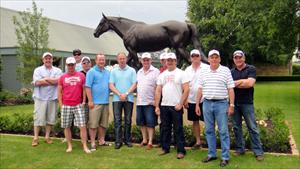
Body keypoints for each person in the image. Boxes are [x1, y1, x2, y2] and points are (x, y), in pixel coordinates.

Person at [195, 49, 235, 167]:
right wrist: (197, 104)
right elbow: (200, 89)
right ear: (208, 59)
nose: (214, 59)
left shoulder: (225, 70)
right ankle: (212, 154)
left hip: (221, 103)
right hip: (206, 103)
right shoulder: (204, 72)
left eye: (216, 57)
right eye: (211, 57)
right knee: (209, 130)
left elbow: (230, 89)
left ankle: (225, 157)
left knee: (223, 131)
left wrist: (231, 105)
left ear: (219, 59)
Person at [231, 50, 264, 161]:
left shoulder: (251, 69)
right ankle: (240, 149)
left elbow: (250, 83)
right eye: (236, 58)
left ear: (244, 58)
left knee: (252, 127)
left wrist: (235, 83)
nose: (238, 59)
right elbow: (229, 86)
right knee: (236, 127)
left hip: (247, 103)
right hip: (234, 103)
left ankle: (258, 151)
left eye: (240, 57)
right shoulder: (231, 72)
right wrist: (242, 82)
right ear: (234, 59)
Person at [155, 52, 189, 159]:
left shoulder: (181, 73)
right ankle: (165, 148)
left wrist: (181, 103)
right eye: (168, 60)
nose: (169, 62)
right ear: (166, 62)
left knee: (178, 129)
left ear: (175, 61)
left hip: (176, 106)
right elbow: (158, 91)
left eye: (171, 60)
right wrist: (157, 106)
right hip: (164, 105)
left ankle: (181, 151)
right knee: (165, 128)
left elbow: (186, 89)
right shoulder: (162, 75)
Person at [58, 57, 90, 153]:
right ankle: (69, 145)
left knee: (82, 126)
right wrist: (61, 104)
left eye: (72, 64)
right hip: (66, 105)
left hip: (78, 105)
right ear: (66, 65)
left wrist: (84, 101)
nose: (71, 66)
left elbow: (84, 90)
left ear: (75, 65)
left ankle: (84, 146)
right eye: (69, 65)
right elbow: (59, 92)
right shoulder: (62, 77)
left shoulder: (81, 76)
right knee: (66, 126)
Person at [31, 52, 62, 146]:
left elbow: (59, 81)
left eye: (50, 58)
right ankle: (35, 138)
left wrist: (45, 79)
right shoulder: (38, 70)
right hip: (40, 97)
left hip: (53, 97)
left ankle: (47, 137)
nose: (48, 60)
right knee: (38, 118)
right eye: (46, 58)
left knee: (50, 118)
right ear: (43, 60)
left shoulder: (58, 70)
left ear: (52, 60)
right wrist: (52, 81)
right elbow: (37, 83)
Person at [109, 52, 137, 149]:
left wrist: (125, 94)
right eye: (120, 58)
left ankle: (128, 140)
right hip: (117, 99)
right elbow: (111, 85)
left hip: (128, 99)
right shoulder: (113, 71)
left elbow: (134, 84)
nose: (122, 60)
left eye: (123, 58)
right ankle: (118, 141)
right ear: (117, 59)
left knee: (128, 120)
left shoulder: (132, 70)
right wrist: (120, 94)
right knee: (117, 121)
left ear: (126, 59)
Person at [184, 49, 209, 150]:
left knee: (208, 121)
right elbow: (185, 86)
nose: (195, 58)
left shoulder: (206, 68)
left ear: (200, 57)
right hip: (191, 100)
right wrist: (185, 99)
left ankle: (209, 141)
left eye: (197, 56)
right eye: (193, 56)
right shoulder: (187, 70)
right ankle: (198, 142)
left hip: (205, 99)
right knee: (195, 121)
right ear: (190, 58)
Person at [85, 54, 110, 151]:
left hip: (105, 102)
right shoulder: (91, 72)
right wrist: (90, 100)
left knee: (103, 124)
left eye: (103, 60)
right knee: (93, 124)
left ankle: (102, 141)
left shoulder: (108, 72)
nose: (101, 61)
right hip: (95, 103)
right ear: (96, 61)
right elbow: (87, 87)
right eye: (99, 60)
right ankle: (92, 143)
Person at [136, 52, 160, 150]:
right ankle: (144, 140)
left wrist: (156, 101)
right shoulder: (139, 72)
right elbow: (138, 86)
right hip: (140, 101)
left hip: (150, 102)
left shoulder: (156, 71)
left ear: (150, 60)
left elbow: (158, 88)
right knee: (141, 122)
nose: (145, 61)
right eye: (144, 60)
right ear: (141, 61)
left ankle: (150, 142)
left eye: (147, 60)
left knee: (150, 123)